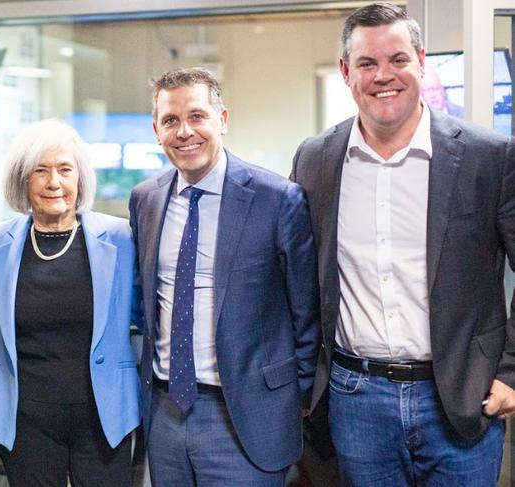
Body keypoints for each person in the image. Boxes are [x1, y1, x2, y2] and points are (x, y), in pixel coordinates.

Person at [290, 3, 515, 485]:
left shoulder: (488, 157)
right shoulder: (315, 159)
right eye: (367, 64)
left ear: (421, 61)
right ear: (347, 72)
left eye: (397, 60)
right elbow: (299, 279)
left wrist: (512, 372)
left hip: (459, 397)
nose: (383, 76)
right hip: (356, 402)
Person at [129, 67, 320, 486]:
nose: (185, 132)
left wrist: (293, 398)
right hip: (164, 411)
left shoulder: (277, 199)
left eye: (197, 116)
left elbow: (308, 311)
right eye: (171, 121)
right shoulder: (145, 199)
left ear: (223, 120)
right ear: (156, 131)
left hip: (245, 416)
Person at [0, 118, 140, 486]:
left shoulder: (119, 238)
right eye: (41, 171)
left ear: (80, 178)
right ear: (23, 180)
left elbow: (146, 316)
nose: (54, 183)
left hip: (104, 421)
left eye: (65, 170)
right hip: (26, 423)